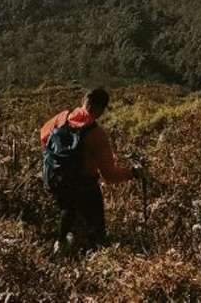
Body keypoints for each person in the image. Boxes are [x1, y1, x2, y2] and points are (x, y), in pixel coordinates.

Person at [39, 87, 137, 252]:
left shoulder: (61, 118)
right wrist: (133, 173)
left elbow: (43, 137)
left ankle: (62, 245)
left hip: (55, 181)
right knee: (96, 231)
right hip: (84, 188)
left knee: (68, 209)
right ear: (101, 110)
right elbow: (110, 176)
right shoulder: (97, 134)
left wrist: (59, 162)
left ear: (83, 101)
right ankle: (93, 251)